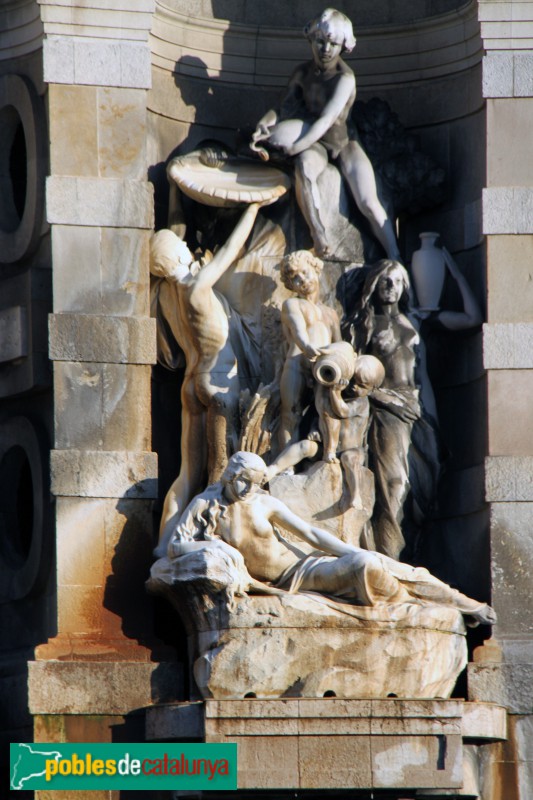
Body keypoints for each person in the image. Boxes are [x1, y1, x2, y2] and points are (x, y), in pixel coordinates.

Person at [167, 451, 496, 625]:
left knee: (370, 562)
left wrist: (347, 550)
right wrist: (215, 546)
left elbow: (310, 533)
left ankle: (460, 604)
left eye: (255, 482)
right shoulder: (206, 504)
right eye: (243, 481)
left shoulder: (264, 503)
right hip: (282, 584)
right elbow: (175, 546)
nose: (248, 489)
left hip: (304, 569)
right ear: (230, 476)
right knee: (366, 567)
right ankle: (417, 605)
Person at [151, 202, 263, 558]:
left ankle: (163, 547)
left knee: (186, 475)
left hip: (190, 385)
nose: (188, 245)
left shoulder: (165, 297)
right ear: (178, 254)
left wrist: (173, 190)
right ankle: (210, 545)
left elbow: (173, 238)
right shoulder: (199, 286)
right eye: (181, 244)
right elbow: (230, 249)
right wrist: (255, 207)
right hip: (218, 389)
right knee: (219, 474)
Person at [251, 8, 400, 261]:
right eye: (321, 41)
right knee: (304, 169)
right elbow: (282, 108)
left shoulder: (345, 78)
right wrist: (263, 124)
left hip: (343, 144)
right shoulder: (301, 73)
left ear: (343, 45)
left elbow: (326, 120)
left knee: (368, 203)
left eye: (333, 43)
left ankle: (396, 257)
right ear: (311, 39)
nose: (326, 49)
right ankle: (318, 234)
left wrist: (295, 146)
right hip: (315, 143)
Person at [279, 250, 341, 448]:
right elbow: (298, 331)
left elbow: (340, 344)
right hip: (297, 362)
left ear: (316, 270)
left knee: (326, 411)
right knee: (290, 415)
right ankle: (286, 470)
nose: (302, 280)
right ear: (290, 285)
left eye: (305, 273)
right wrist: (307, 347)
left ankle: (326, 455)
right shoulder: (292, 304)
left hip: (323, 367)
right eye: (295, 279)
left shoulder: (331, 314)